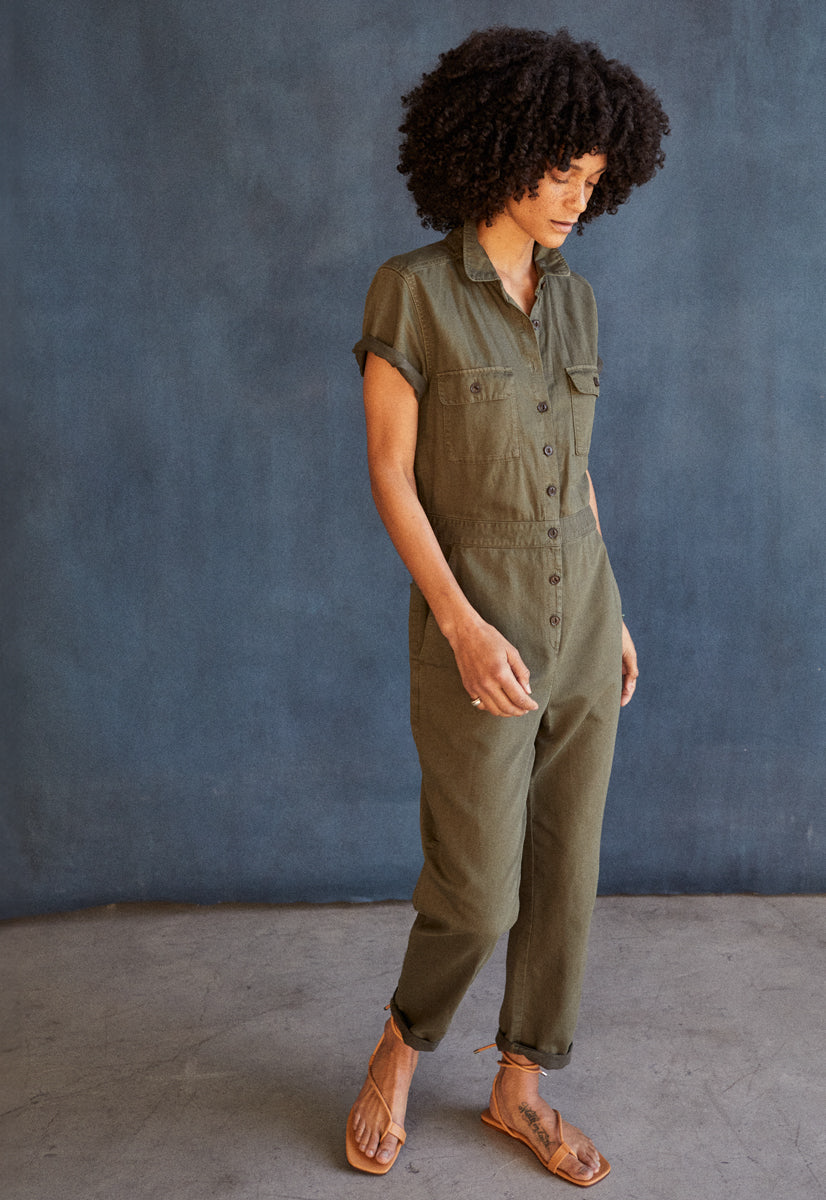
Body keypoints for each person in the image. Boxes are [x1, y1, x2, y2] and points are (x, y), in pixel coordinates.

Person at [346, 27, 669, 1187]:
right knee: (478, 891)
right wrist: (462, 623)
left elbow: (573, 469)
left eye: (593, 178)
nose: (577, 198)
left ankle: (520, 1085)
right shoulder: (414, 292)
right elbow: (391, 476)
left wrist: (609, 607)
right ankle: (401, 1045)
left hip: (582, 610)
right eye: (559, 173)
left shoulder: (576, 304)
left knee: (564, 873)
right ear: (497, 151)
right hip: (475, 621)